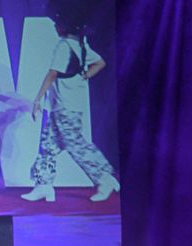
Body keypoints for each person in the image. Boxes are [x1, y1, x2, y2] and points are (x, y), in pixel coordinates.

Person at [22, 8, 120, 204]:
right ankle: (43, 185)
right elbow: (100, 63)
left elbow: (52, 74)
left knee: (76, 145)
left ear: (63, 27)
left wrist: (37, 99)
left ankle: (104, 178)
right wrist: (86, 75)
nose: (55, 26)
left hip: (65, 105)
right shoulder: (80, 46)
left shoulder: (64, 46)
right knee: (48, 146)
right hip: (67, 104)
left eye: (57, 24)